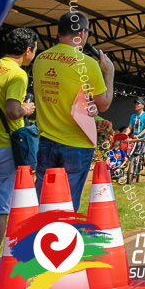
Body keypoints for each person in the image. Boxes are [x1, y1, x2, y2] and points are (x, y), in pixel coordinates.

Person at [32, 11, 114, 209]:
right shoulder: (88, 64)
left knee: (43, 200)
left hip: (46, 140)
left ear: (59, 32)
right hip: (77, 143)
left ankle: (37, 236)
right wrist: (109, 73)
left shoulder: (40, 59)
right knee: (68, 202)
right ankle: (63, 237)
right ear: (83, 33)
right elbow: (103, 104)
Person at [0, 28, 37, 248]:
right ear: (27, 50)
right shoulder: (18, 74)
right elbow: (13, 111)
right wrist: (27, 108)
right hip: (6, 148)